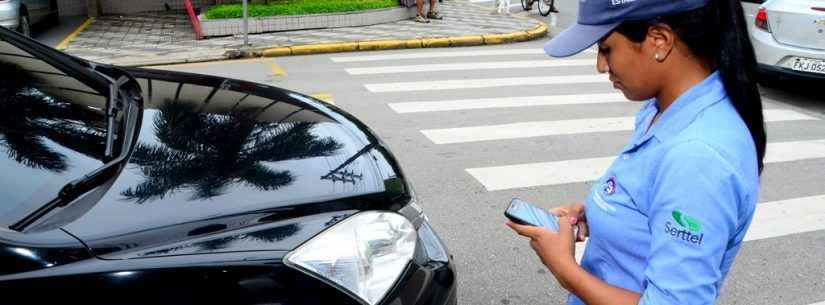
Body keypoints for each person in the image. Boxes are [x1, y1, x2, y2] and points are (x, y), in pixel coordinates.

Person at [506, 0, 766, 304]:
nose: (601, 66)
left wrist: (565, 270)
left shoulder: (698, 157)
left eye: (606, 49)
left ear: (659, 40)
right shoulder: (663, 110)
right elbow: (653, 199)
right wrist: (601, 212)